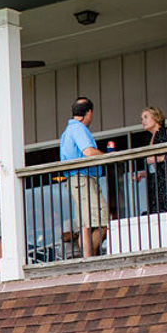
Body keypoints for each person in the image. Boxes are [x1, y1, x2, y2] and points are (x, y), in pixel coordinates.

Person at [59, 97, 108, 257]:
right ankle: (88, 258)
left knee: (86, 224)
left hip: (77, 180)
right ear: (89, 112)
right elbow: (88, 152)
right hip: (83, 179)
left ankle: (87, 258)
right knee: (103, 222)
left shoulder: (68, 131)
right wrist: (108, 156)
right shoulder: (78, 129)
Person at [137, 106, 167, 213]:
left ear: (156, 117)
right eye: (142, 119)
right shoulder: (151, 139)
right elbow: (156, 166)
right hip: (156, 185)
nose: (143, 121)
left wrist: (159, 158)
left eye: (146, 117)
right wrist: (144, 174)